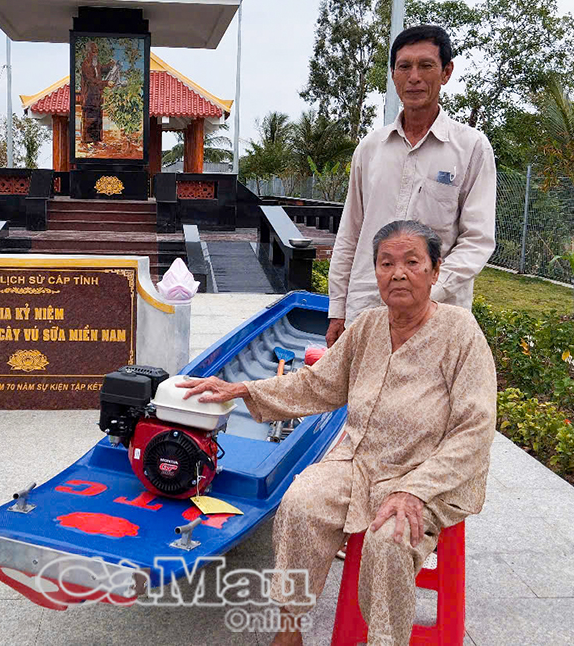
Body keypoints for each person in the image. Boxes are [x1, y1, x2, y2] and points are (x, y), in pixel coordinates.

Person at [181, 220, 496, 646]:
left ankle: (385, 640)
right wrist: (241, 389)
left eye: (411, 262)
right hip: (359, 460)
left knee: (391, 538)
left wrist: (415, 490)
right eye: (386, 263)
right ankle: (289, 626)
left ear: (436, 271)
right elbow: (316, 383)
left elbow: (474, 429)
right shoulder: (367, 327)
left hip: (427, 474)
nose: (397, 273)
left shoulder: (460, 332)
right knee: (299, 503)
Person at [326, 25, 496, 349]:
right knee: (364, 398)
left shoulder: (471, 148)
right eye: (404, 66)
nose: (414, 77)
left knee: (426, 399)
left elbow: (477, 240)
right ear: (393, 75)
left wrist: (427, 290)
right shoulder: (370, 149)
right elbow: (350, 232)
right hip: (367, 312)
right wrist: (337, 310)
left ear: (446, 72)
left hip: (437, 318)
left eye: (426, 65)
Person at [78, 41, 118, 145]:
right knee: (89, 118)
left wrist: (110, 65)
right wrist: (106, 83)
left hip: (97, 97)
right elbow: (92, 81)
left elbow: (102, 69)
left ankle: (97, 140)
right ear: (88, 52)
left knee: (98, 118)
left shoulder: (96, 64)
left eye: (96, 52)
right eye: (93, 52)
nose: (95, 54)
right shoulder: (86, 65)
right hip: (89, 97)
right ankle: (88, 141)